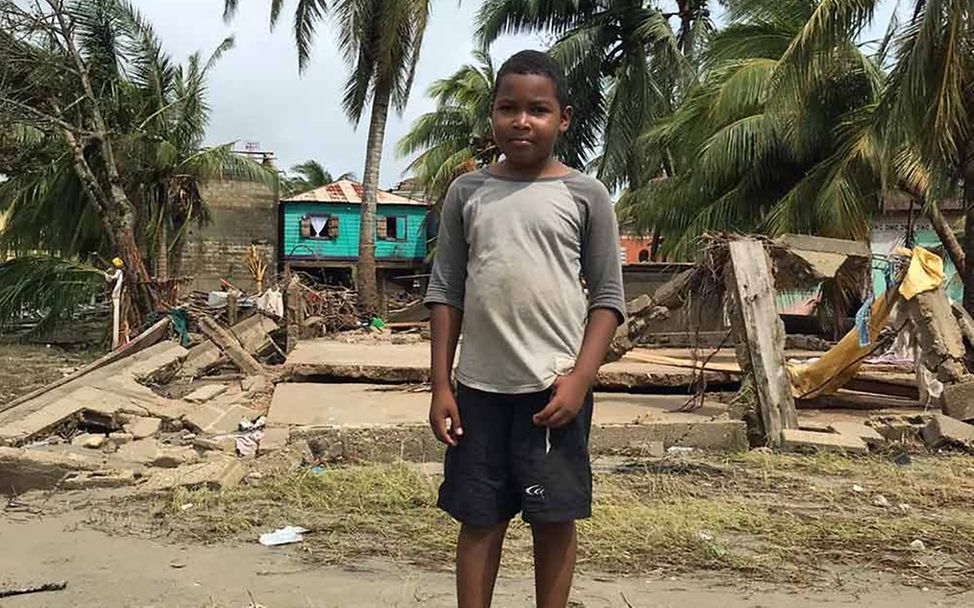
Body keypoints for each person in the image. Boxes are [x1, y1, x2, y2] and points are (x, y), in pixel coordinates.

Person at [423, 50, 626, 608]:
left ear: (563, 118)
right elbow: (446, 291)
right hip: (478, 393)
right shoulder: (468, 193)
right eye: (508, 107)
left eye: (538, 109)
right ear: (492, 115)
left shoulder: (586, 195)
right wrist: (441, 384)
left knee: (553, 519)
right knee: (479, 517)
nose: (521, 121)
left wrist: (581, 379)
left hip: (553, 390)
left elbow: (608, 299)